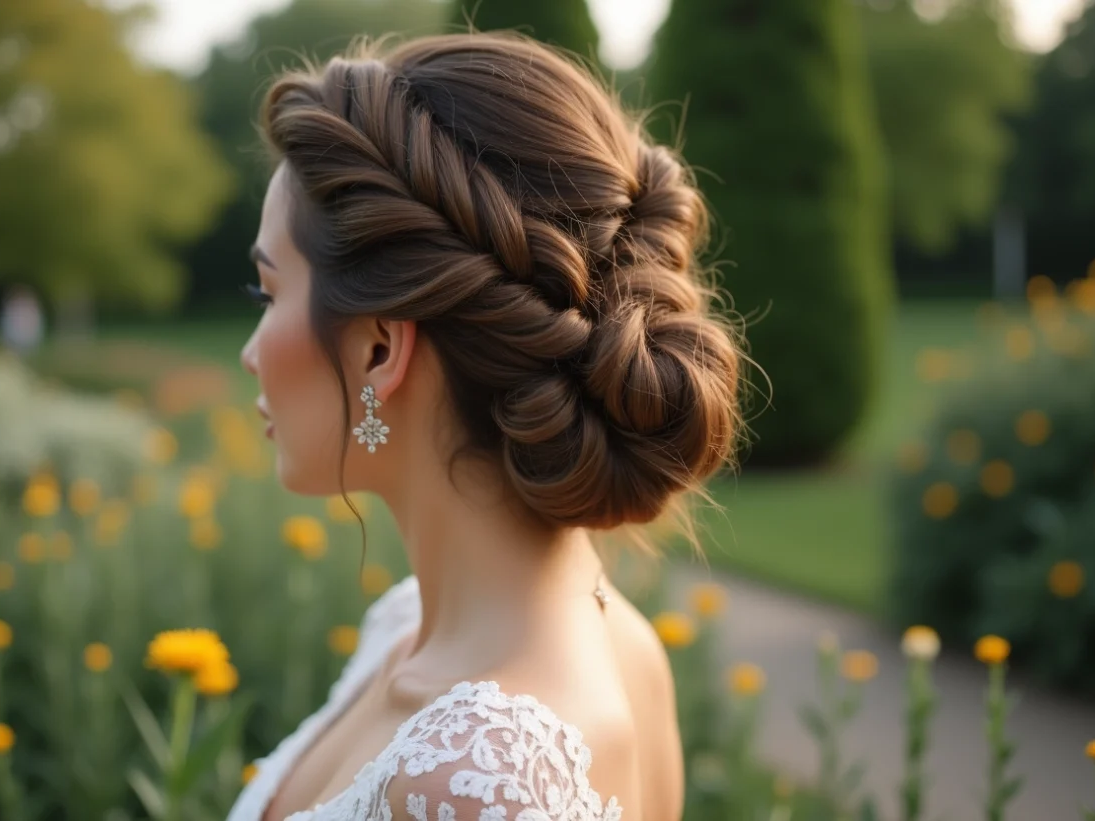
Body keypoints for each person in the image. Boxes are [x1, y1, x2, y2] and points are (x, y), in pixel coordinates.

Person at [228, 31, 744, 821]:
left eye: (269, 296)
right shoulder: (418, 628)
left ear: (378, 348)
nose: (250, 353)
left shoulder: (473, 780)